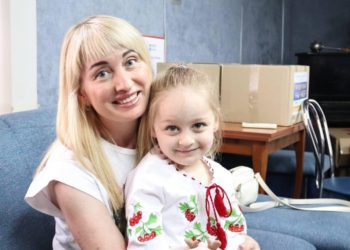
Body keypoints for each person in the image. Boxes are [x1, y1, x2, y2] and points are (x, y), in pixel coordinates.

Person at [25, 15, 153, 249]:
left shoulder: (163, 138)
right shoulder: (69, 170)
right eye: (102, 73)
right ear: (82, 94)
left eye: (131, 61)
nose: (124, 84)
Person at [125, 66, 260, 250]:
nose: (186, 141)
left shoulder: (221, 175)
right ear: (152, 128)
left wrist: (244, 243)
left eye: (198, 125)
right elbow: (143, 245)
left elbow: (234, 229)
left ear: (215, 121)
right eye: (172, 128)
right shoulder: (149, 179)